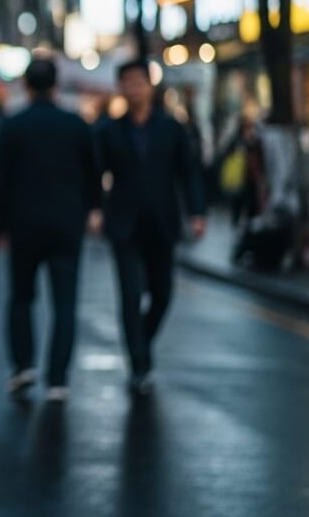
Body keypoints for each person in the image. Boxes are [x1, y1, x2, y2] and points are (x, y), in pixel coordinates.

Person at [0, 58, 100, 403]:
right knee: (64, 302)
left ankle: (23, 366)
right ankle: (58, 378)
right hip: (67, 224)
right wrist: (92, 210)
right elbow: (93, 173)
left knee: (21, 297)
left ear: (25, 86)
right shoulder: (76, 124)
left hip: (23, 224)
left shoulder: (11, 125)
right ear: (55, 86)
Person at [95, 60, 205, 395]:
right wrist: (96, 209)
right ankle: (139, 364)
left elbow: (188, 172)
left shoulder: (171, 129)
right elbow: (94, 174)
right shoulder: (107, 130)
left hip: (162, 221)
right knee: (129, 295)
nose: (134, 88)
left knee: (163, 293)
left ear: (150, 86)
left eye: (139, 82)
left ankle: (141, 339)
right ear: (120, 88)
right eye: (127, 82)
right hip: (123, 224)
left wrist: (197, 212)